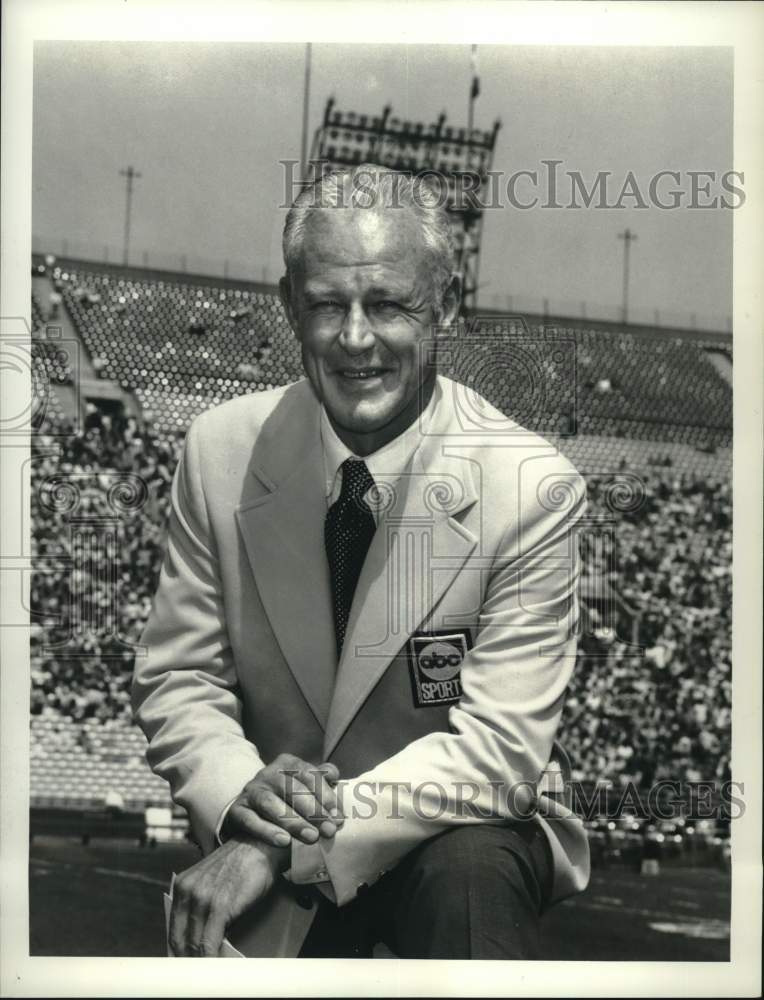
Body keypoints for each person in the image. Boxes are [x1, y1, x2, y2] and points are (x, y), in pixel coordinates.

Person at [131, 164, 590, 959]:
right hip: (262, 831)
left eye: (387, 304)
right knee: (213, 933)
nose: (353, 338)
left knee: (471, 871)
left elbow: (497, 753)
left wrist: (278, 844)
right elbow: (179, 678)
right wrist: (241, 792)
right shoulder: (219, 451)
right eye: (325, 305)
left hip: (452, 830)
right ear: (288, 305)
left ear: (445, 303)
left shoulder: (530, 485)